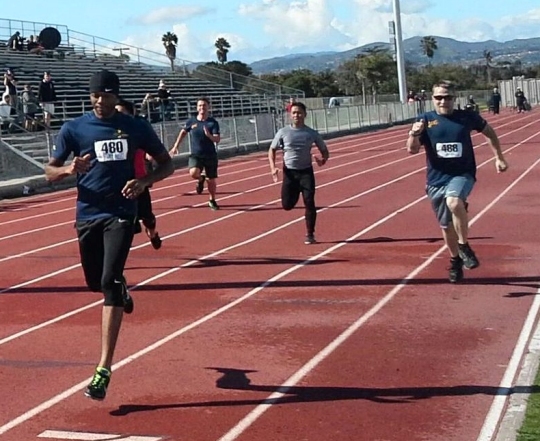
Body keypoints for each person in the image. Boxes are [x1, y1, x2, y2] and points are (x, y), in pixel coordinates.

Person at [44, 69, 173, 401]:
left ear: (117, 97)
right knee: (95, 282)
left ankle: (103, 368)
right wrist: (67, 170)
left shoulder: (135, 127)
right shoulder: (74, 129)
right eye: (96, 95)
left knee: (109, 281)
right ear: (90, 97)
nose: (101, 100)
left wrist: (144, 182)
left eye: (107, 95)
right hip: (88, 214)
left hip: (121, 212)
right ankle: (121, 290)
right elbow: (48, 172)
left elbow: (166, 163)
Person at [406, 80, 508, 283]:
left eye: (448, 97)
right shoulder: (425, 120)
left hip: (463, 174)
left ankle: (464, 246)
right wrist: (414, 133)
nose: (443, 101)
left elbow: (489, 132)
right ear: (432, 99)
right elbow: (412, 149)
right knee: (446, 227)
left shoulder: (467, 117)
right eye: (439, 97)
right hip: (436, 179)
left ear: (454, 98)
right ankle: (455, 261)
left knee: (454, 201)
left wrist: (499, 157)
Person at [268, 101, 330, 245]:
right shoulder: (283, 132)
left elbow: (325, 151)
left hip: (306, 173)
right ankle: (295, 193)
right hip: (289, 173)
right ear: (291, 115)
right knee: (287, 205)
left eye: (299, 112)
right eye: (294, 112)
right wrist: (272, 167)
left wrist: (322, 160)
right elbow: (271, 149)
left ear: (305, 115)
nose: (297, 115)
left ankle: (310, 234)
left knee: (309, 202)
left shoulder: (311, 133)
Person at [115, 98, 162, 250]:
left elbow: (153, 148)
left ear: (131, 114)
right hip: (118, 184)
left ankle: (153, 234)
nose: (117, 116)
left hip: (138, 181)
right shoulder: (109, 133)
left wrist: (150, 155)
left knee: (147, 218)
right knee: (124, 224)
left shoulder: (139, 131)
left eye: (121, 112)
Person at [169, 97, 221, 210]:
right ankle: (200, 179)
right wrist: (175, 146)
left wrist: (209, 136)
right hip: (196, 154)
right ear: (197, 108)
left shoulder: (212, 123)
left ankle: (212, 200)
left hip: (210, 155)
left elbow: (217, 139)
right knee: (193, 173)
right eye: (200, 106)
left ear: (208, 107)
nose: (202, 107)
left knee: (211, 180)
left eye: (204, 105)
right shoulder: (192, 121)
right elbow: (183, 132)